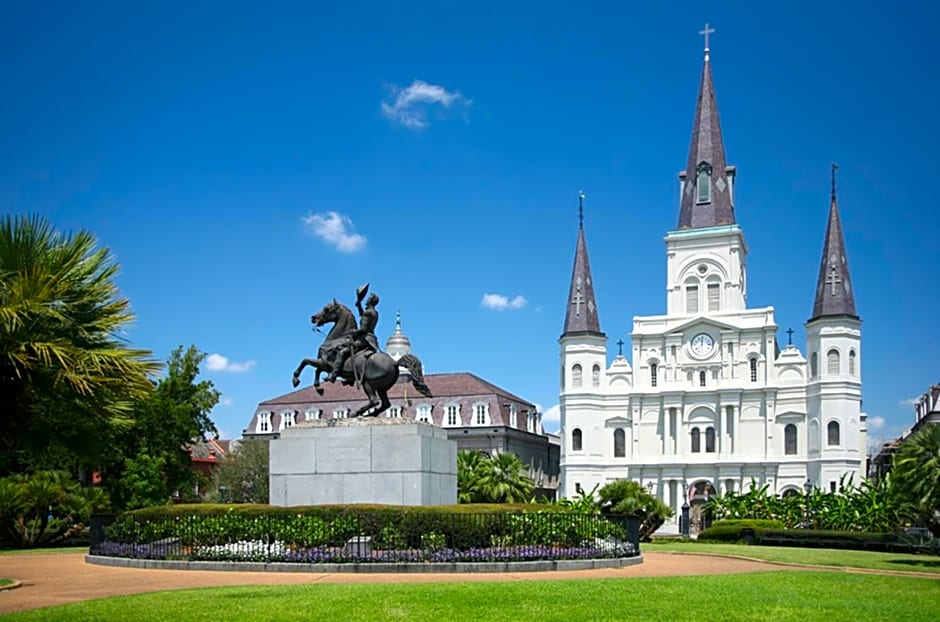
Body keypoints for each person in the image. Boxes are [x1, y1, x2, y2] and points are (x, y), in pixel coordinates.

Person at [328, 286, 380, 383]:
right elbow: (363, 316)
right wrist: (359, 305)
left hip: (363, 339)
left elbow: (364, 329)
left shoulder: (368, 313)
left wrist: (353, 332)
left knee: (342, 352)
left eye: (368, 299)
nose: (366, 300)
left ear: (371, 301)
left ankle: (334, 375)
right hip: (372, 338)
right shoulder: (375, 313)